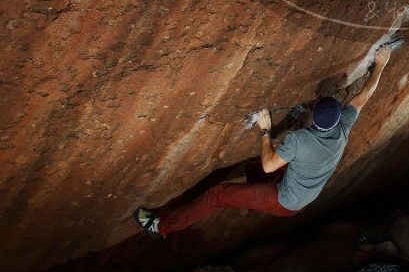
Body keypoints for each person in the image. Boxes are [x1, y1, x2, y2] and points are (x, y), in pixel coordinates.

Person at [132, 43, 393, 238]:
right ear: (338, 116)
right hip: (302, 189)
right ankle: (252, 197)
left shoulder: (300, 139)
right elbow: (364, 96)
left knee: (218, 194)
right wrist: (381, 64)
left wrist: (265, 129)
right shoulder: (344, 126)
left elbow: (270, 166)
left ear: (313, 117)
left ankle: (162, 227)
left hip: (283, 199)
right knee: (251, 166)